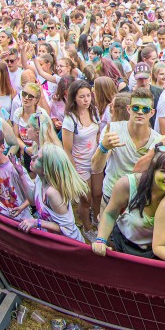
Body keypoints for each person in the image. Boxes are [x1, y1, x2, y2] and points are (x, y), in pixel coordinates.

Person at [93, 149, 165, 257]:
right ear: (152, 170)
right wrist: (101, 240)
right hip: (125, 244)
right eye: (164, 171)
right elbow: (110, 214)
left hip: (160, 254)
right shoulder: (128, 185)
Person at [94, 87, 161, 211]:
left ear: (152, 113)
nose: (140, 112)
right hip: (111, 197)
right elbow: (96, 168)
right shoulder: (113, 130)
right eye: (136, 108)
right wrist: (103, 147)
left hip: (138, 200)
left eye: (145, 109)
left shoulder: (157, 140)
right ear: (129, 109)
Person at [13, 144, 88, 241]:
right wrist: (21, 175)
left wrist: (37, 222)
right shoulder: (39, 180)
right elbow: (32, 201)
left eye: (38, 158)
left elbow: (67, 228)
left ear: (46, 169)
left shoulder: (52, 193)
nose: (32, 157)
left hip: (69, 244)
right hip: (54, 240)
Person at [62, 79, 101, 236]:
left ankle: (98, 222)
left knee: (98, 194)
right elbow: (67, 149)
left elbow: (97, 132)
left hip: (96, 161)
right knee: (86, 199)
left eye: (88, 96)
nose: (86, 100)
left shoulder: (94, 111)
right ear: (74, 98)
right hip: (80, 164)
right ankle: (87, 228)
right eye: (81, 97)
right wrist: (73, 172)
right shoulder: (70, 119)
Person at [0, 128, 32, 219]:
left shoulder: (14, 169)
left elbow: (32, 196)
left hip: (20, 219)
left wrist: (21, 208)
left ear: (2, 148)